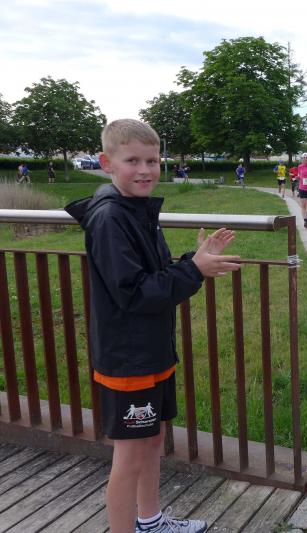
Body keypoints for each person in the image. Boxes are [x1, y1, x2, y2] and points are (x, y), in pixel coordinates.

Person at [65, 119, 240, 533]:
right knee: (129, 457)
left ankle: (151, 521)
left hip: (153, 350)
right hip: (128, 359)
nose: (145, 170)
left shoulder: (137, 210)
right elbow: (134, 293)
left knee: (154, 440)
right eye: (132, 161)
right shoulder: (110, 218)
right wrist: (194, 270)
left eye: (152, 160)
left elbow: (154, 276)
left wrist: (194, 260)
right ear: (106, 163)